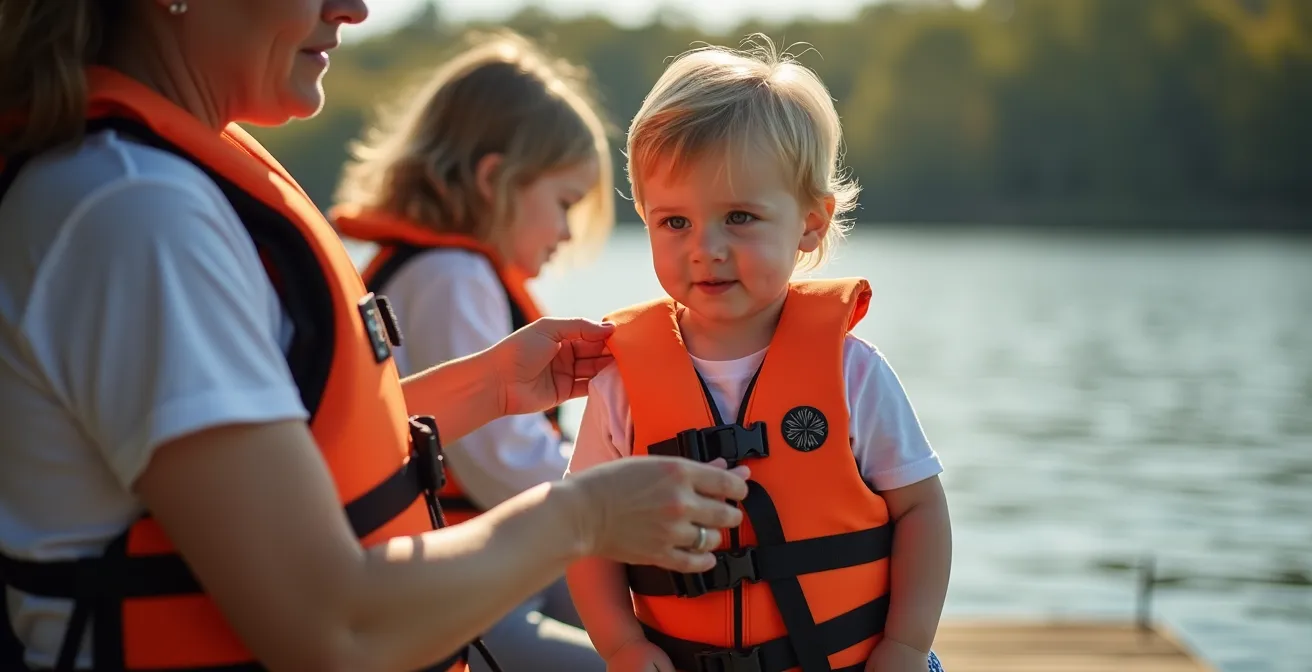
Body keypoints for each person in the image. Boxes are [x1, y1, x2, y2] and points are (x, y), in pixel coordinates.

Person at [0, 2, 751, 671]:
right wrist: (583, 514)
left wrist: (487, 387)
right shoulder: (134, 214)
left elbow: (300, 457)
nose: (355, 9)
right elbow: (330, 628)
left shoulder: (153, 185)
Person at [564, 36, 953, 672]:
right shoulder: (621, 384)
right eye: (675, 222)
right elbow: (585, 531)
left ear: (810, 223)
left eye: (739, 217)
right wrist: (622, 644)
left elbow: (921, 509)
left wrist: (905, 645)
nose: (705, 248)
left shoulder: (853, 373)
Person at [329, 30, 615, 671]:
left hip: (490, 575)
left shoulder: (442, 270)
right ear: (495, 180)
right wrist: (615, 487)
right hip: (455, 596)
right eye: (563, 203)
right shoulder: (450, 279)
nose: (567, 231)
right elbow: (498, 463)